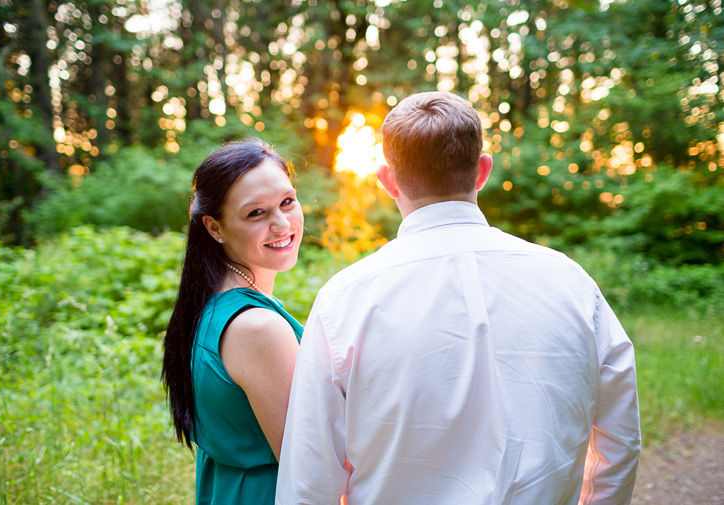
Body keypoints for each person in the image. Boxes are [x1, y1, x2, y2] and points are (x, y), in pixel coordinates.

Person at [276, 92, 640, 505]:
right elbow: (620, 440)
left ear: (387, 179)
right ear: (482, 170)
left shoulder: (343, 301)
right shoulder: (571, 283)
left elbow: (309, 479)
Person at [162, 139, 305, 505]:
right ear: (214, 227)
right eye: (256, 213)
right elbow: (306, 467)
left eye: (287, 202)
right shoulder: (257, 327)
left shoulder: (212, 304)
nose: (282, 224)